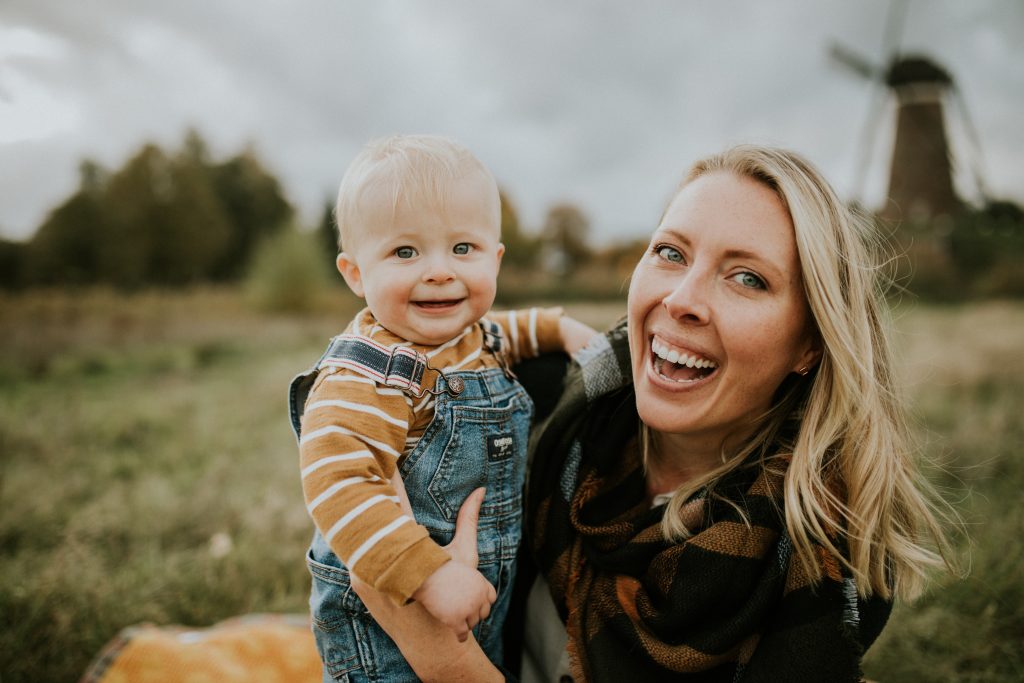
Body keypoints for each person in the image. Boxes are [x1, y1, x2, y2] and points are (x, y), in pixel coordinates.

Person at [351, 144, 958, 682]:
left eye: (747, 278)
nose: (683, 299)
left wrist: (437, 656)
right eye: (670, 252)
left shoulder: (823, 567)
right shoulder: (532, 401)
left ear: (810, 343)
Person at [287, 134, 597, 682]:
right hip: (388, 639)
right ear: (355, 273)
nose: (439, 271)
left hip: (478, 610)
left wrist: (560, 328)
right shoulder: (368, 375)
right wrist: (429, 575)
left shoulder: (471, 337)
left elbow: (512, 330)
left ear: (494, 258)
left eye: (462, 249)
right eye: (405, 252)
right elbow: (337, 483)